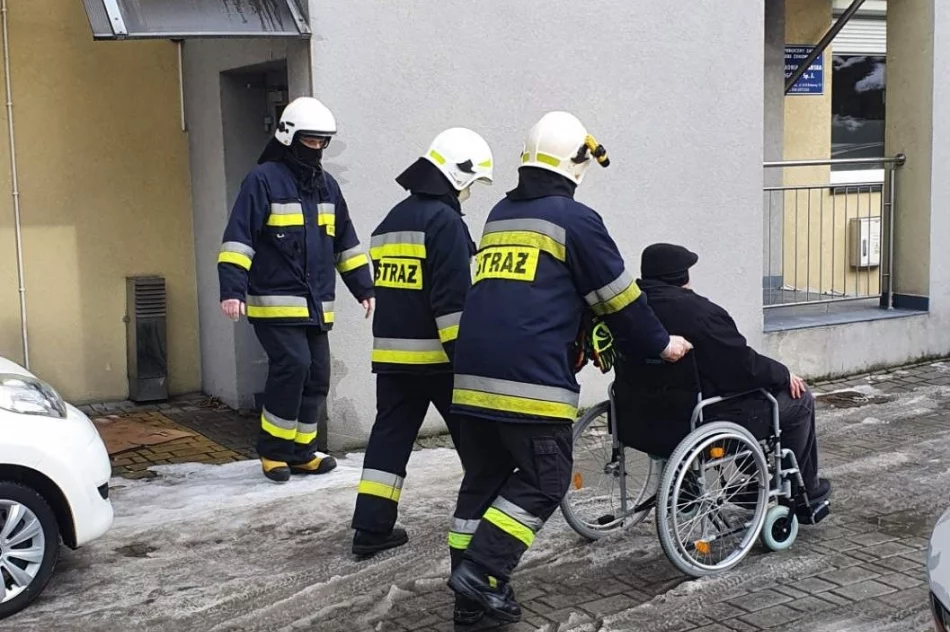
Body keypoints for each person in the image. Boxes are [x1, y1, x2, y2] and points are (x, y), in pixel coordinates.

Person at [444, 112, 693, 625]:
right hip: (528, 381)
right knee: (548, 478)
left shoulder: (500, 215)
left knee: (483, 483)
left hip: (470, 379)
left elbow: (526, 294)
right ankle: (483, 571)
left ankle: (473, 605)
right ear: (577, 164)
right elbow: (619, 298)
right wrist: (661, 344)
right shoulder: (575, 220)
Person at [350, 128, 494, 560]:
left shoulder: (390, 221)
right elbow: (451, 305)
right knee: (476, 441)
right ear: (457, 174)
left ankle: (370, 528)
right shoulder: (445, 223)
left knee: (389, 441)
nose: (469, 192)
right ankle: (488, 523)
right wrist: (466, 360)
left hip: (392, 359)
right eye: (470, 183)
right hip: (439, 360)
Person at [217, 96, 375, 483]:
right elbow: (239, 239)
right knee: (294, 366)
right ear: (289, 137)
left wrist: (364, 288)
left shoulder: (327, 186)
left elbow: (345, 243)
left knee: (317, 375)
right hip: (274, 304)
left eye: (323, 141)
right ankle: (274, 452)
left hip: (316, 306)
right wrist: (232, 290)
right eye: (310, 140)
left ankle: (302, 453)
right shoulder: (262, 181)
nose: (317, 148)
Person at [632, 242, 831, 518]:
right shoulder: (699, 313)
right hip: (699, 415)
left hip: (640, 414)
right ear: (681, 276)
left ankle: (748, 478)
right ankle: (802, 490)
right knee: (799, 400)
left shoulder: (632, 310)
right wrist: (783, 375)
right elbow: (743, 367)